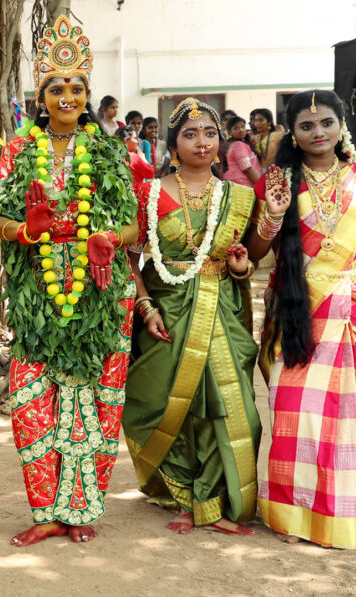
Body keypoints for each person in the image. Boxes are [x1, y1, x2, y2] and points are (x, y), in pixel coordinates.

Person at [0, 15, 138, 546]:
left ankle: (81, 510)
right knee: (33, 402)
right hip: (38, 295)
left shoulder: (108, 151)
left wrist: (108, 239)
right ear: (41, 95)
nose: (67, 95)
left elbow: (131, 224)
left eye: (77, 87)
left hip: (100, 292)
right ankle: (45, 511)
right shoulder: (15, 151)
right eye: (57, 87)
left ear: (87, 95)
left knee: (96, 401)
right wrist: (24, 232)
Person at [245, 89, 356, 550]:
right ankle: (292, 514)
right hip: (296, 310)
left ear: (341, 126)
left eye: (327, 123)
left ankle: (343, 510)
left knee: (343, 416)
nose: (318, 132)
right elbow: (256, 256)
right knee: (295, 411)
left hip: (349, 308)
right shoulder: (277, 182)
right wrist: (271, 218)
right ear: (291, 133)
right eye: (307, 126)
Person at [123, 98, 260, 538]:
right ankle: (182, 495)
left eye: (209, 133)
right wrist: (145, 306)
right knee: (160, 403)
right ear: (173, 143)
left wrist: (242, 268)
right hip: (166, 310)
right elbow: (129, 257)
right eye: (189, 134)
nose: (201, 142)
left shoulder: (238, 196)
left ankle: (215, 499)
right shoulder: (148, 193)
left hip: (221, 309)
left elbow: (252, 258)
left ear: (220, 142)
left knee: (223, 404)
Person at [222, 116, 260, 186]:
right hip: (243, 186)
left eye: (243, 127)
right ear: (230, 132)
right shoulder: (238, 145)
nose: (241, 130)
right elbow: (247, 169)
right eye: (236, 128)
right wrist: (260, 186)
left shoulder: (236, 144)